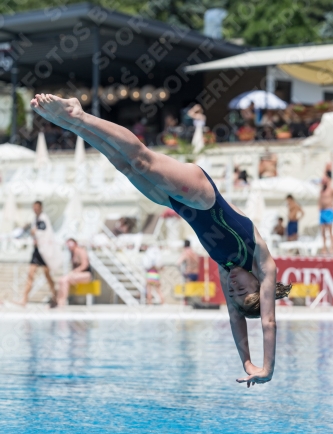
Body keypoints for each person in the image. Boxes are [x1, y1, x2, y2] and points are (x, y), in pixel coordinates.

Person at [30, 93, 293, 387]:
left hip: (177, 204)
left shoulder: (226, 268)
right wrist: (267, 367)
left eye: (233, 292)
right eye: (242, 286)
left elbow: (235, 319)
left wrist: (246, 362)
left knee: (124, 165)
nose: (233, 285)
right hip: (200, 194)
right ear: (257, 282)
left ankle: (70, 124)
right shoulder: (263, 263)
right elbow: (268, 322)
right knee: (141, 159)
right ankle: (78, 114)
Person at [20, 201, 57, 306]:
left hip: (44, 251)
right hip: (37, 251)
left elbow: (43, 231)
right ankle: (24, 299)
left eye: (37, 208)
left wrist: (34, 232)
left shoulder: (43, 218)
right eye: (34, 208)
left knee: (47, 275)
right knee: (30, 274)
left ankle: (55, 295)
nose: (35, 209)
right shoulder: (35, 219)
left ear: (41, 208)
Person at [56, 238, 92, 307]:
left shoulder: (81, 251)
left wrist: (74, 272)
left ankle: (61, 302)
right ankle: (59, 301)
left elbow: (85, 265)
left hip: (86, 275)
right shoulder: (72, 253)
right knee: (61, 280)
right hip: (77, 275)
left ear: (75, 244)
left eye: (70, 244)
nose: (68, 246)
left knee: (64, 280)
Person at [319, 164, 333, 254]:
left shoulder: (330, 189)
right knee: (323, 232)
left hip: (328, 211)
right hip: (322, 212)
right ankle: (324, 248)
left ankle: (331, 248)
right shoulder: (321, 190)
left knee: (330, 231)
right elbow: (319, 200)